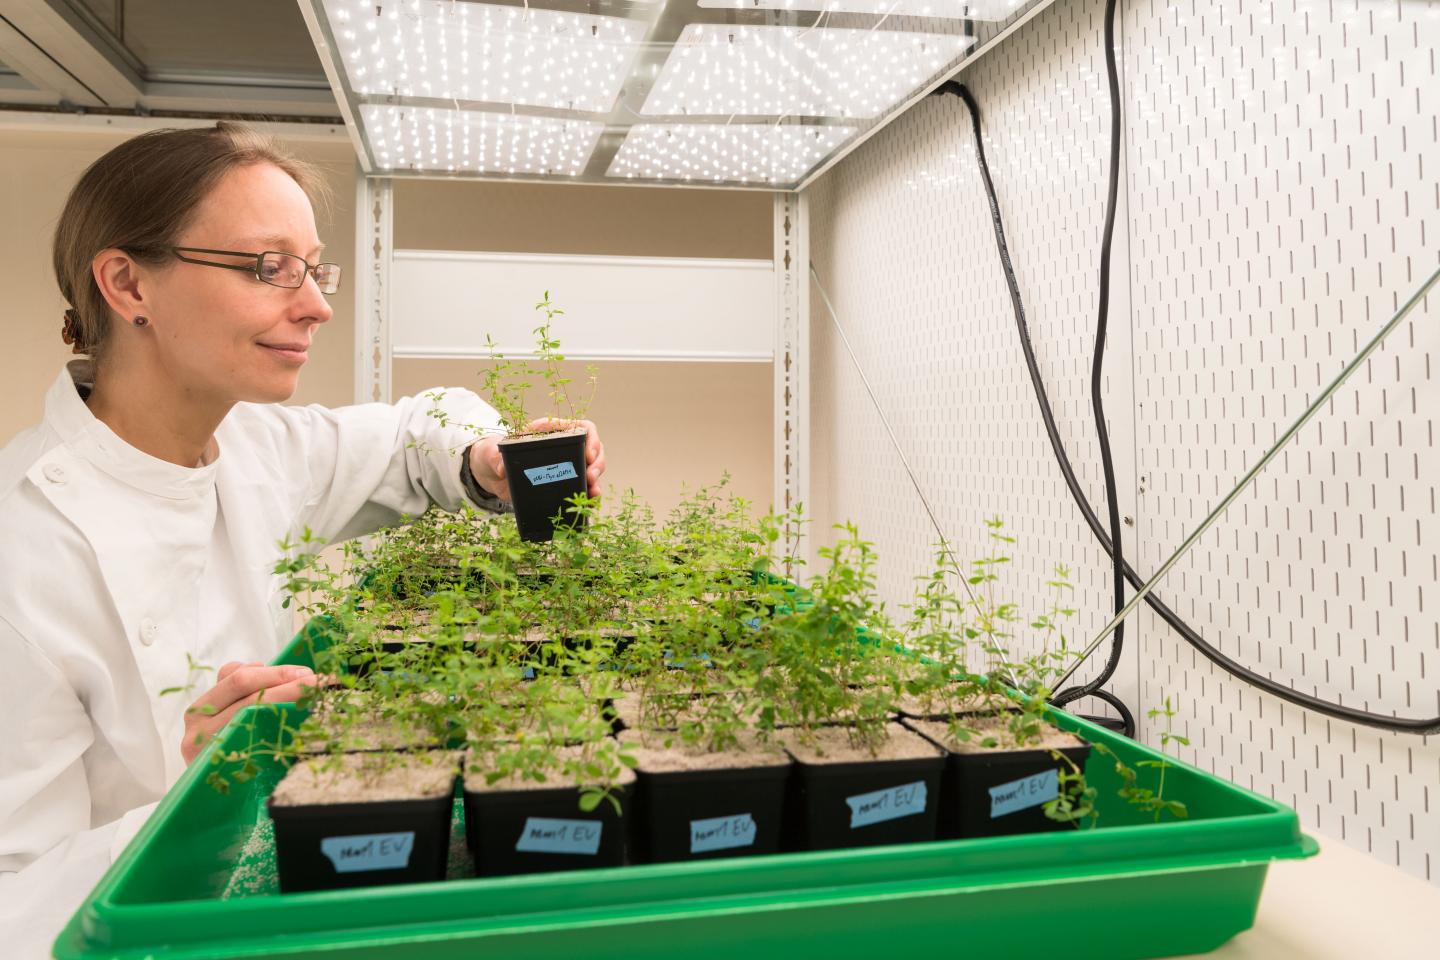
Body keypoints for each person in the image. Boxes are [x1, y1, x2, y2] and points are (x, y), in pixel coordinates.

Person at [0, 122, 605, 956]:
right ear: (128, 283)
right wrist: (204, 796)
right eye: (266, 267)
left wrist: (482, 460)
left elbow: (406, 438)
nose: (316, 303)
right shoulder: (22, 544)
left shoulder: (253, 444)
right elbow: (14, 900)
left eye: (314, 269)